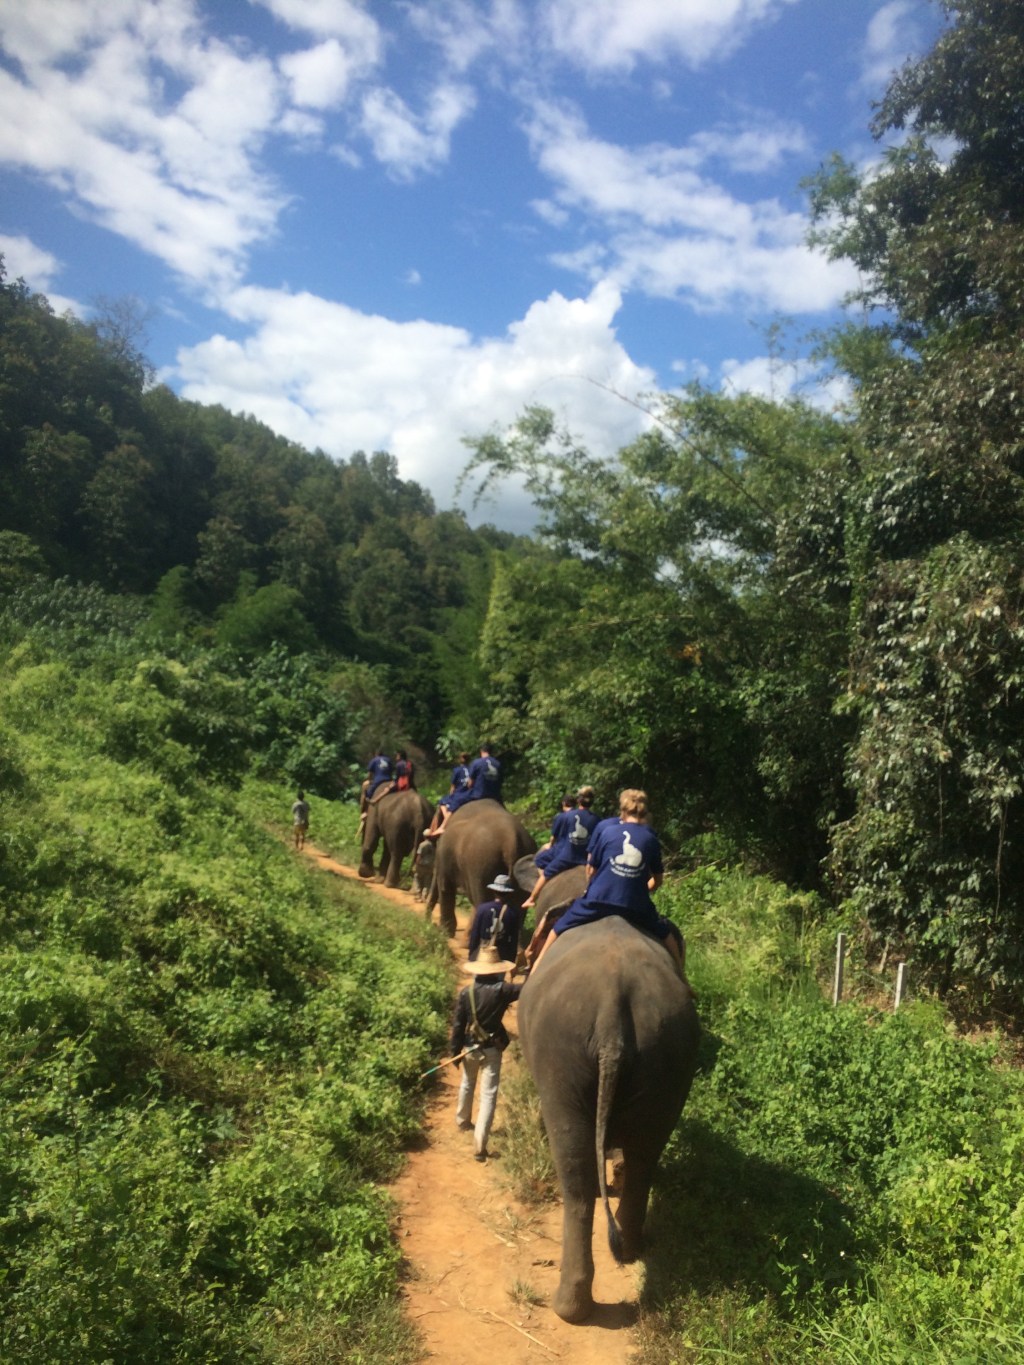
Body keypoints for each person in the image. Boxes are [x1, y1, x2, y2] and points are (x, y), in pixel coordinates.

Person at [532, 788, 684, 974]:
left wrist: (593, 887)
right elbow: (658, 881)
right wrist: (639, 890)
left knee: (558, 928)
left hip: (599, 900)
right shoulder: (650, 838)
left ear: (622, 810)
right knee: (667, 935)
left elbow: (591, 870)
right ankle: (682, 977)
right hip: (636, 905)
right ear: (644, 810)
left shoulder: (607, 831)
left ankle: (537, 965)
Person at [449, 943, 523, 1161]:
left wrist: (454, 1050)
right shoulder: (503, 991)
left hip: (469, 1048)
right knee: (488, 1094)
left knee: (467, 1083)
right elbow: (526, 988)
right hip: (492, 1049)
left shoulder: (466, 993)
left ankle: (463, 1121)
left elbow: (457, 1025)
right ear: (497, 969)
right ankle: (480, 1144)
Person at [522, 791, 599, 910]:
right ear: (592, 802)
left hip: (567, 855)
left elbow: (557, 837)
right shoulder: (597, 820)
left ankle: (532, 899)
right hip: (584, 858)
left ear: (578, 801)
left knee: (546, 873)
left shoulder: (567, 816)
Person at [427, 743, 503, 837]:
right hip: (495, 796)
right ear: (491, 752)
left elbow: (470, 783)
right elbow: (500, 781)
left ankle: (443, 826)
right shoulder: (498, 764)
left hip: (478, 794)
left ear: (481, 751)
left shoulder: (477, 763)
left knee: (457, 799)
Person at [468, 873, 521, 966]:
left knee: (479, 978)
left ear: (493, 891)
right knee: (499, 979)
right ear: (508, 893)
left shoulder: (482, 909)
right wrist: (511, 960)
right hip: (502, 955)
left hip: (482, 953)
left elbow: (475, 935)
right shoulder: (513, 913)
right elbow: (514, 940)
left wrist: (472, 954)